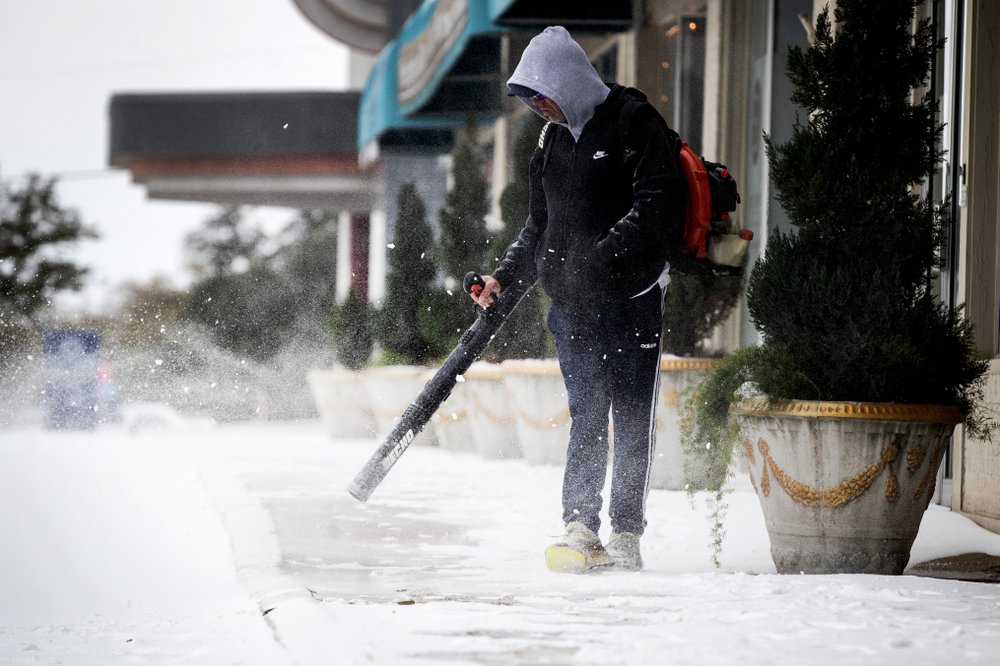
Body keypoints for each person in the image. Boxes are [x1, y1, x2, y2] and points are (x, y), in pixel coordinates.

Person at [469, 26, 682, 573]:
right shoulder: (551, 142)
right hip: (573, 308)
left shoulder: (634, 122)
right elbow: (537, 227)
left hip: (634, 299)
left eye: (542, 95)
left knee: (632, 415)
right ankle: (581, 525)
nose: (539, 108)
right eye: (530, 100)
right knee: (588, 413)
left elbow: (656, 209)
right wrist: (502, 278)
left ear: (566, 83)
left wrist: (599, 258)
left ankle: (628, 533)